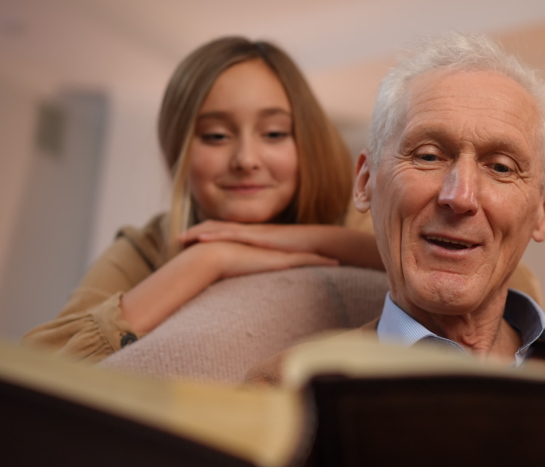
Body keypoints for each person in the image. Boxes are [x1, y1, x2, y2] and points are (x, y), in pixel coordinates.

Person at [248, 33, 545, 384]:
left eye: (501, 167)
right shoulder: (282, 394)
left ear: (544, 210)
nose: (460, 196)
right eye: (429, 156)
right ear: (365, 182)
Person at [22, 37, 383, 361]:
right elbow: (38, 369)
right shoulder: (146, 246)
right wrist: (207, 259)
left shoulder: (360, 214)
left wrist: (290, 239)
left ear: (308, 143)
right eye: (215, 136)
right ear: (178, 151)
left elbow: (407, 262)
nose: (245, 159)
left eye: (273, 133)